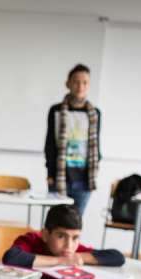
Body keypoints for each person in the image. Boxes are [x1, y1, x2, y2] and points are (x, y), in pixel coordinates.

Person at [44, 64, 101, 215]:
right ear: (68, 83)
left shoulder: (95, 113)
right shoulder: (56, 111)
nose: (80, 86)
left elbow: (96, 146)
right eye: (76, 81)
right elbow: (49, 144)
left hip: (84, 179)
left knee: (76, 221)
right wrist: (50, 173)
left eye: (85, 82)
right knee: (57, 220)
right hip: (61, 176)